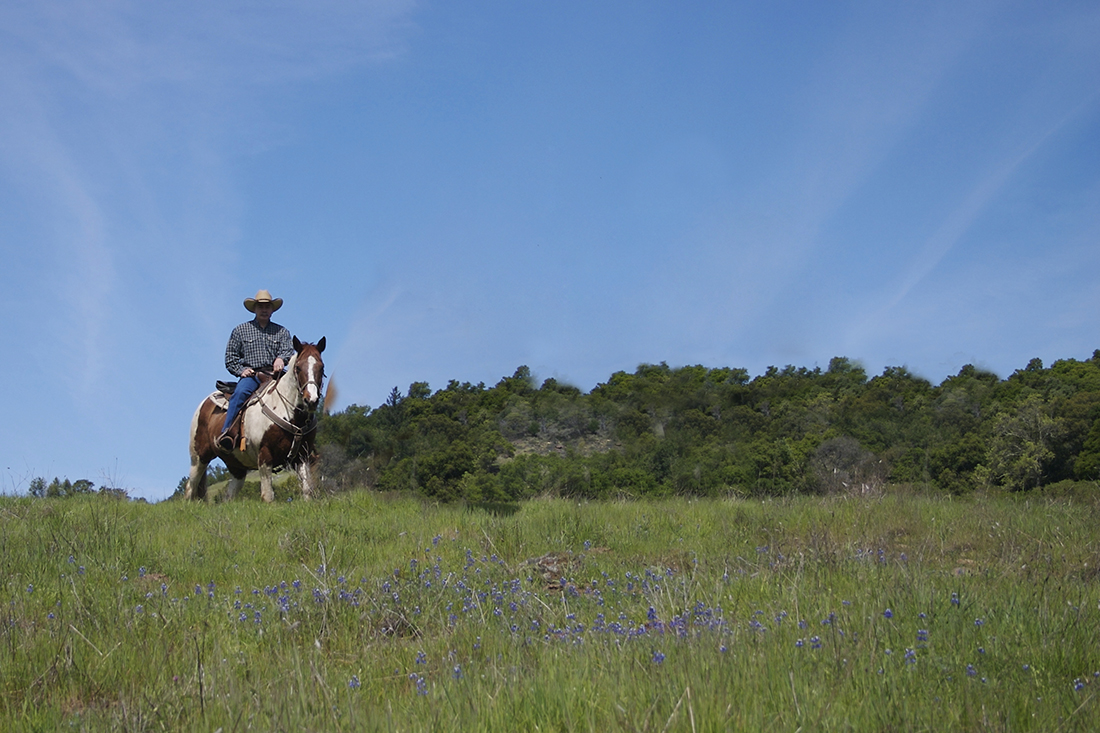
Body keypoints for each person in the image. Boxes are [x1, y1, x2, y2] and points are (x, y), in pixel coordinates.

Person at [218, 289, 295, 451]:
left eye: (267, 306)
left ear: (272, 309)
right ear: (255, 309)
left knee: (300, 393)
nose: (264, 309)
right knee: (239, 395)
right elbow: (230, 357)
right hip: (252, 376)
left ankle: (303, 437)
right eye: (261, 306)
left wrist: (281, 358)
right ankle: (228, 433)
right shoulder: (240, 330)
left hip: (276, 375)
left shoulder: (282, 332)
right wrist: (241, 370)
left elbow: (289, 350)